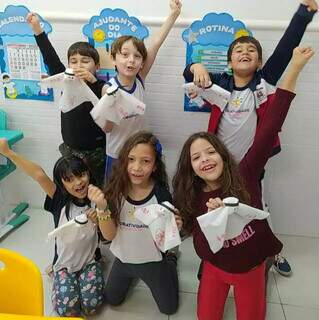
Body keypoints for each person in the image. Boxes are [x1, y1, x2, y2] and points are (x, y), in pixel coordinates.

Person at [173, 47, 315, 319]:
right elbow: (202, 249)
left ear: (224, 156)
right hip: (214, 269)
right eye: (196, 157)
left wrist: (295, 66)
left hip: (251, 270)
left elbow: (273, 122)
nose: (205, 159)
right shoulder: (191, 196)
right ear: (190, 168)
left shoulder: (247, 172)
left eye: (211, 151)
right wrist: (200, 223)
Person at [183, 0, 318, 276]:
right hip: (217, 167)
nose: (245, 52)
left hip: (251, 165)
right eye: (239, 50)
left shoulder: (265, 80)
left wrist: (305, 13)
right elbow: (191, 76)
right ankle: (210, 252)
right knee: (213, 210)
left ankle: (271, 250)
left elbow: (285, 48)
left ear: (258, 61)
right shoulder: (220, 82)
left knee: (256, 208)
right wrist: (195, 65)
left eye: (251, 50)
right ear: (230, 62)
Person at [0, 141, 105, 317]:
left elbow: (108, 232)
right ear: (62, 183)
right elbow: (39, 175)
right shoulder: (59, 200)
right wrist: (9, 153)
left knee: (92, 307)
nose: (77, 183)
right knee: (66, 310)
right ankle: (55, 270)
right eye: (69, 179)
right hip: (64, 263)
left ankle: (91, 269)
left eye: (81, 175)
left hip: (89, 261)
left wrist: (100, 215)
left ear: (88, 174)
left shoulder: (96, 197)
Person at [88, 131, 182, 315]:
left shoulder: (161, 195)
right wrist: (101, 208)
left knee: (169, 309)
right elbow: (109, 236)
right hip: (123, 259)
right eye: (131, 159)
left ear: (155, 166)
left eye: (145, 161)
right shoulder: (115, 191)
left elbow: (166, 237)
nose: (136, 167)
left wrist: (175, 228)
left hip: (153, 262)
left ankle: (171, 260)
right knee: (112, 300)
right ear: (123, 161)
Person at [101, 0, 182, 177]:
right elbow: (106, 128)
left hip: (141, 152)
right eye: (125, 55)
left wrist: (174, 15)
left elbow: (155, 44)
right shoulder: (108, 88)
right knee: (115, 196)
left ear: (141, 63)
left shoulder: (140, 78)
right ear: (113, 59)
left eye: (137, 56)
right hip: (117, 153)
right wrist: (112, 105)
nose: (131, 60)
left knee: (141, 192)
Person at [27, 13, 107, 187]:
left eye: (85, 61)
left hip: (97, 152)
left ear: (97, 67)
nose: (78, 66)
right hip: (70, 149)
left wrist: (93, 82)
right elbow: (50, 58)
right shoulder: (66, 81)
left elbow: (111, 109)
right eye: (73, 61)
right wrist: (37, 30)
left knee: (98, 187)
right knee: (73, 188)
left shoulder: (101, 86)